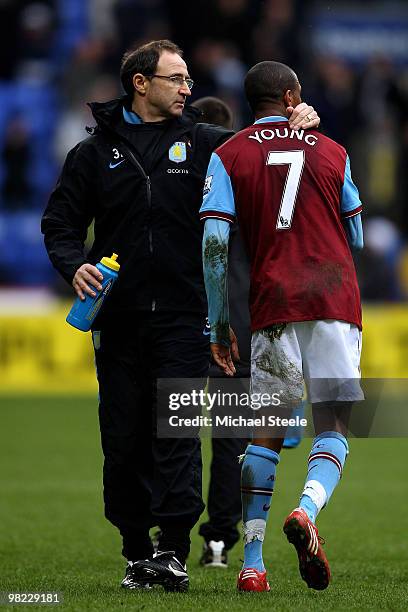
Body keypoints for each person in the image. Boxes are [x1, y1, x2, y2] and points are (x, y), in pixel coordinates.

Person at [41, 39, 320, 593]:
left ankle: (170, 551)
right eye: (176, 79)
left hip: (184, 317)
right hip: (116, 320)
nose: (188, 89)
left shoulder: (207, 145)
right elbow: (60, 224)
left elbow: (263, 156)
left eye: (189, 79)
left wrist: (298, 126)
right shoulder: (93, 154)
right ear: (141, 83)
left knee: (177, 436)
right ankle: (134, 549)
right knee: (122, 439)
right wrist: (74, 265)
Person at [200, 61, 363, 592]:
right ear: (293, 95)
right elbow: (356, 232)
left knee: (264, 433)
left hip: (272, 302)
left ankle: (251, 565)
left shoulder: (228, 155)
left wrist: (219, 321)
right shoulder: (333, 150)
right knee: (332, 424)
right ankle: (307, 511)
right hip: (334, 297)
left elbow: (216, 244)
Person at [191, 96, 304, 569]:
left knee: (166, 434)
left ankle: (164, 534)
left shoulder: (178, 178)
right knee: (229, 437)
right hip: (234, 319)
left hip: (177, 316)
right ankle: (218, 539)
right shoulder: (244, 171)